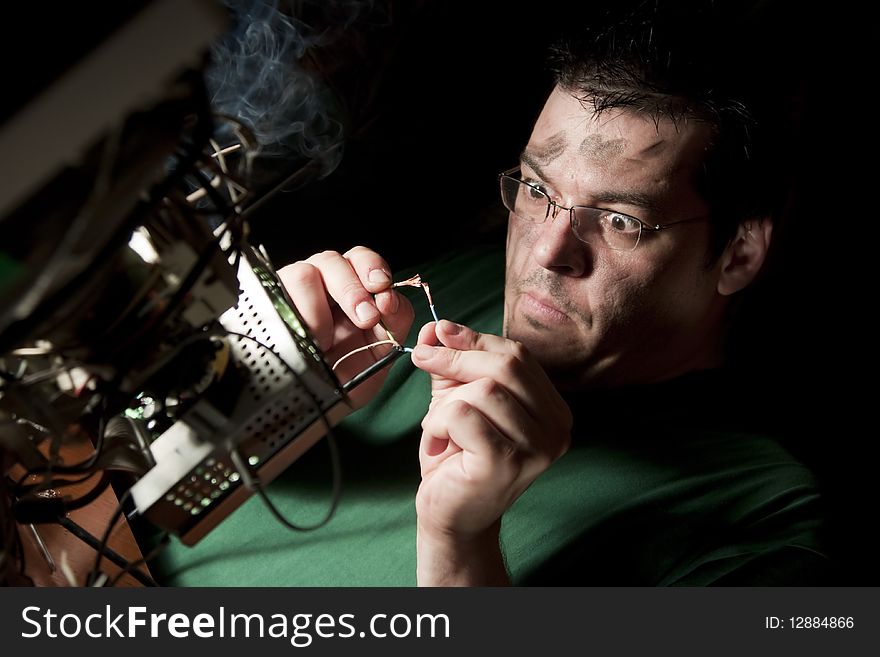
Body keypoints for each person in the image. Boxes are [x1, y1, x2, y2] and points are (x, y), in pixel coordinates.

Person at [155, 1, 832, 586]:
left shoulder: (761, 517)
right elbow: (137, 512)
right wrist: (256, 388)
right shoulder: (470, 279)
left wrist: (460, 548)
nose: (546, 251)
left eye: (621, 220)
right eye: (538, 188)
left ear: (738, 253)